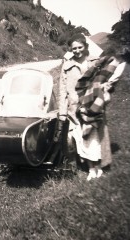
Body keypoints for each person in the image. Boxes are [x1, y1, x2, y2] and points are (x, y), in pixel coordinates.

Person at [56, 33, 127, 181]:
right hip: (75, 109)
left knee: (95, 138)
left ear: (86, 47)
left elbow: (111, 73)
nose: (77, 50)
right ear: (70, 49)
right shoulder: (67, 66)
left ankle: (99, 167)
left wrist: (105, 89)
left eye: (80, 47)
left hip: (94, 106)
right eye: (73, 48)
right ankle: (90, 168)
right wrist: (62, 112)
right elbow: (62, 90)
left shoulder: (96, 62)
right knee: (82, 139)